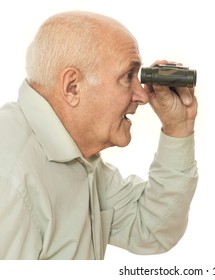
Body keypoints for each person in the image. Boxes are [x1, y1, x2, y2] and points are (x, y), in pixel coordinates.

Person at [0, 11, 198, 259]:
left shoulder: (79, 158)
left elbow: (150, 228)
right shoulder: (9, 179)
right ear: (72, 87)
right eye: (128, 77)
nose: (143, 96)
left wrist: (178, 127)